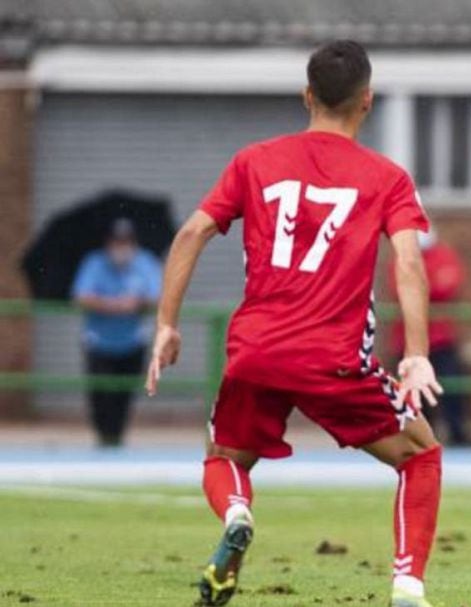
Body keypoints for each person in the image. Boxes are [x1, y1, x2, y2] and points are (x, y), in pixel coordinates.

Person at [144, 40, 444, 607]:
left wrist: (166, 324)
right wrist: (417, 352)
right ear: (367, 102)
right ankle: (407, 583)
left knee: (225, 458)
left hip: (256, 351)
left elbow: (190, 234)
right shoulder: (386, 177)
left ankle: (236, 512)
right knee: (419, 455)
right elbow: (408, 261)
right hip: (333, 359)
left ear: (307, 96)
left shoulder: (255, 160)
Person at [72, 218, 161, 447]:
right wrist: (111, 305)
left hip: (132, 342)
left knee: (124, 396)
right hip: (98, 342)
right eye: (117, 241)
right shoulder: (94, 262)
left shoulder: (145, 262)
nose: (121, 246)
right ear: (108, 242)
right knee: (100, 396)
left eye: (126, 241)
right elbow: (81, 296)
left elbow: (157, 297)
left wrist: (136, 303)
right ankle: (104, 439)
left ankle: (116, 439)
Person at [388, 229, 471, 445]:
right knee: (413, 398)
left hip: (441, 341)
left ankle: (458, 435)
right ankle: (419, 439)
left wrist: (417, 288)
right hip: (408, 343)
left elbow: (449, 283)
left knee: (451, 389)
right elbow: (400, 288)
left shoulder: (442, 255)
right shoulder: (401, 256)